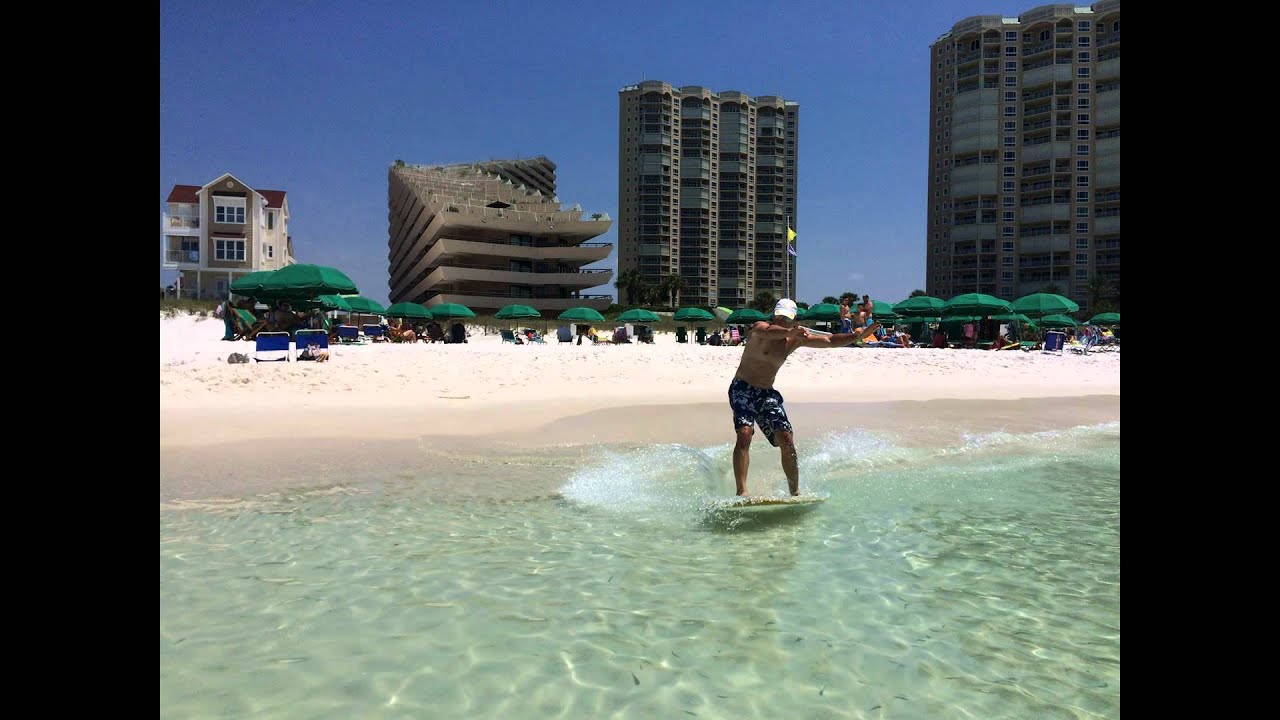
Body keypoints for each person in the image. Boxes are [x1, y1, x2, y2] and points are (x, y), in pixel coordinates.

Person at [728, 298, 879, 497]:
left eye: (787, 319)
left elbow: (831, 341)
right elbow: (767, 331)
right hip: (742, 388)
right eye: (779, 317)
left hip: (766, 392)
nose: (782, 321)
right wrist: (789, 331)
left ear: (793, 320)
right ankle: (742, 492)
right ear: (774, 315)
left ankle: (795, 492)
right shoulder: (760, 328)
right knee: (745, 433)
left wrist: (858, 336)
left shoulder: (795, 339)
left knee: (786, 438)